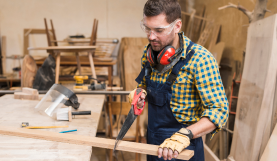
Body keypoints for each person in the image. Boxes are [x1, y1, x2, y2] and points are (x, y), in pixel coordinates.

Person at [129, 0, 229, 160]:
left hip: (184, 149)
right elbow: (145, 86)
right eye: (147, 28)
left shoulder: (200, 59)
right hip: (154, 146)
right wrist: (140, 93)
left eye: (159, 30)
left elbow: (219, 111)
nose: (151, 36)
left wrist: (186, 134)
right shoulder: (149, 54)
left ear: (177, 26)